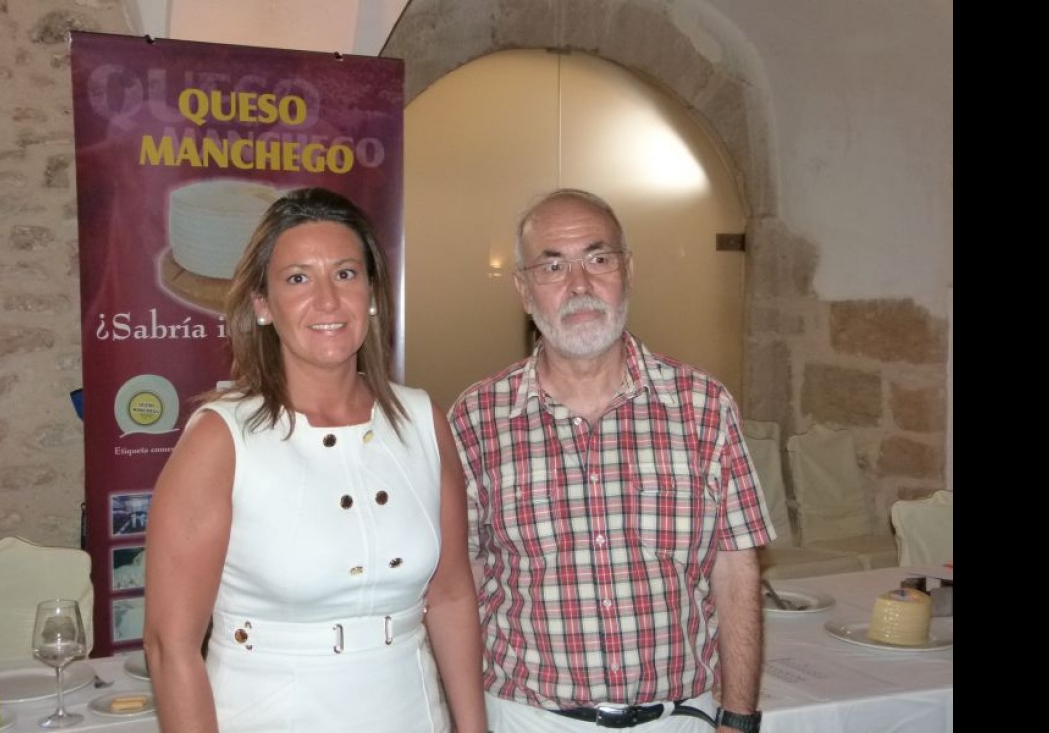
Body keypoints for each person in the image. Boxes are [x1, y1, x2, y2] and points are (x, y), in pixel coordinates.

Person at [144, 186, 487, 733]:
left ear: (372, 293)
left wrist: (474, 728)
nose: (327, 301)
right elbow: (171, 646)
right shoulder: (220, 440)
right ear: (262, 304)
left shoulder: (423, 422)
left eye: (346, 274)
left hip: (411, 713)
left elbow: (449, 596)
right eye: (298, 278)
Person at [448, 188, 774, 733]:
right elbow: (462, 580)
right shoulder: (476, 419)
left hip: (678, 720)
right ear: (524, 290)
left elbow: (736, 569)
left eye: (599, 260)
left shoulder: (704, 407)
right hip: (526, 720)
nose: (580, 285)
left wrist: (739, 719)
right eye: (553, 266)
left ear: (629, 271)